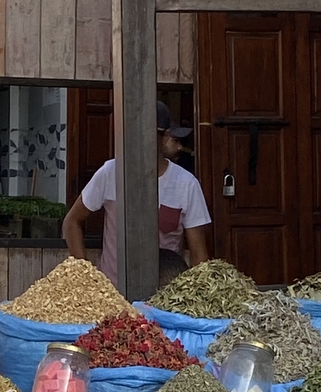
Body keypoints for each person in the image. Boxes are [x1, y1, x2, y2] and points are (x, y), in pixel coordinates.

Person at [62, 102, 210, 287]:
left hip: (164, 296)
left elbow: (199, 256)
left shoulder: (186, 184)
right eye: (135, 132)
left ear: (164, 137)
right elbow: (71, 222)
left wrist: (195, 297)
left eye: (149, 133)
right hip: (113, 294)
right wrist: (87, 277)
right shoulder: (110, 172)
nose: (140, 139)